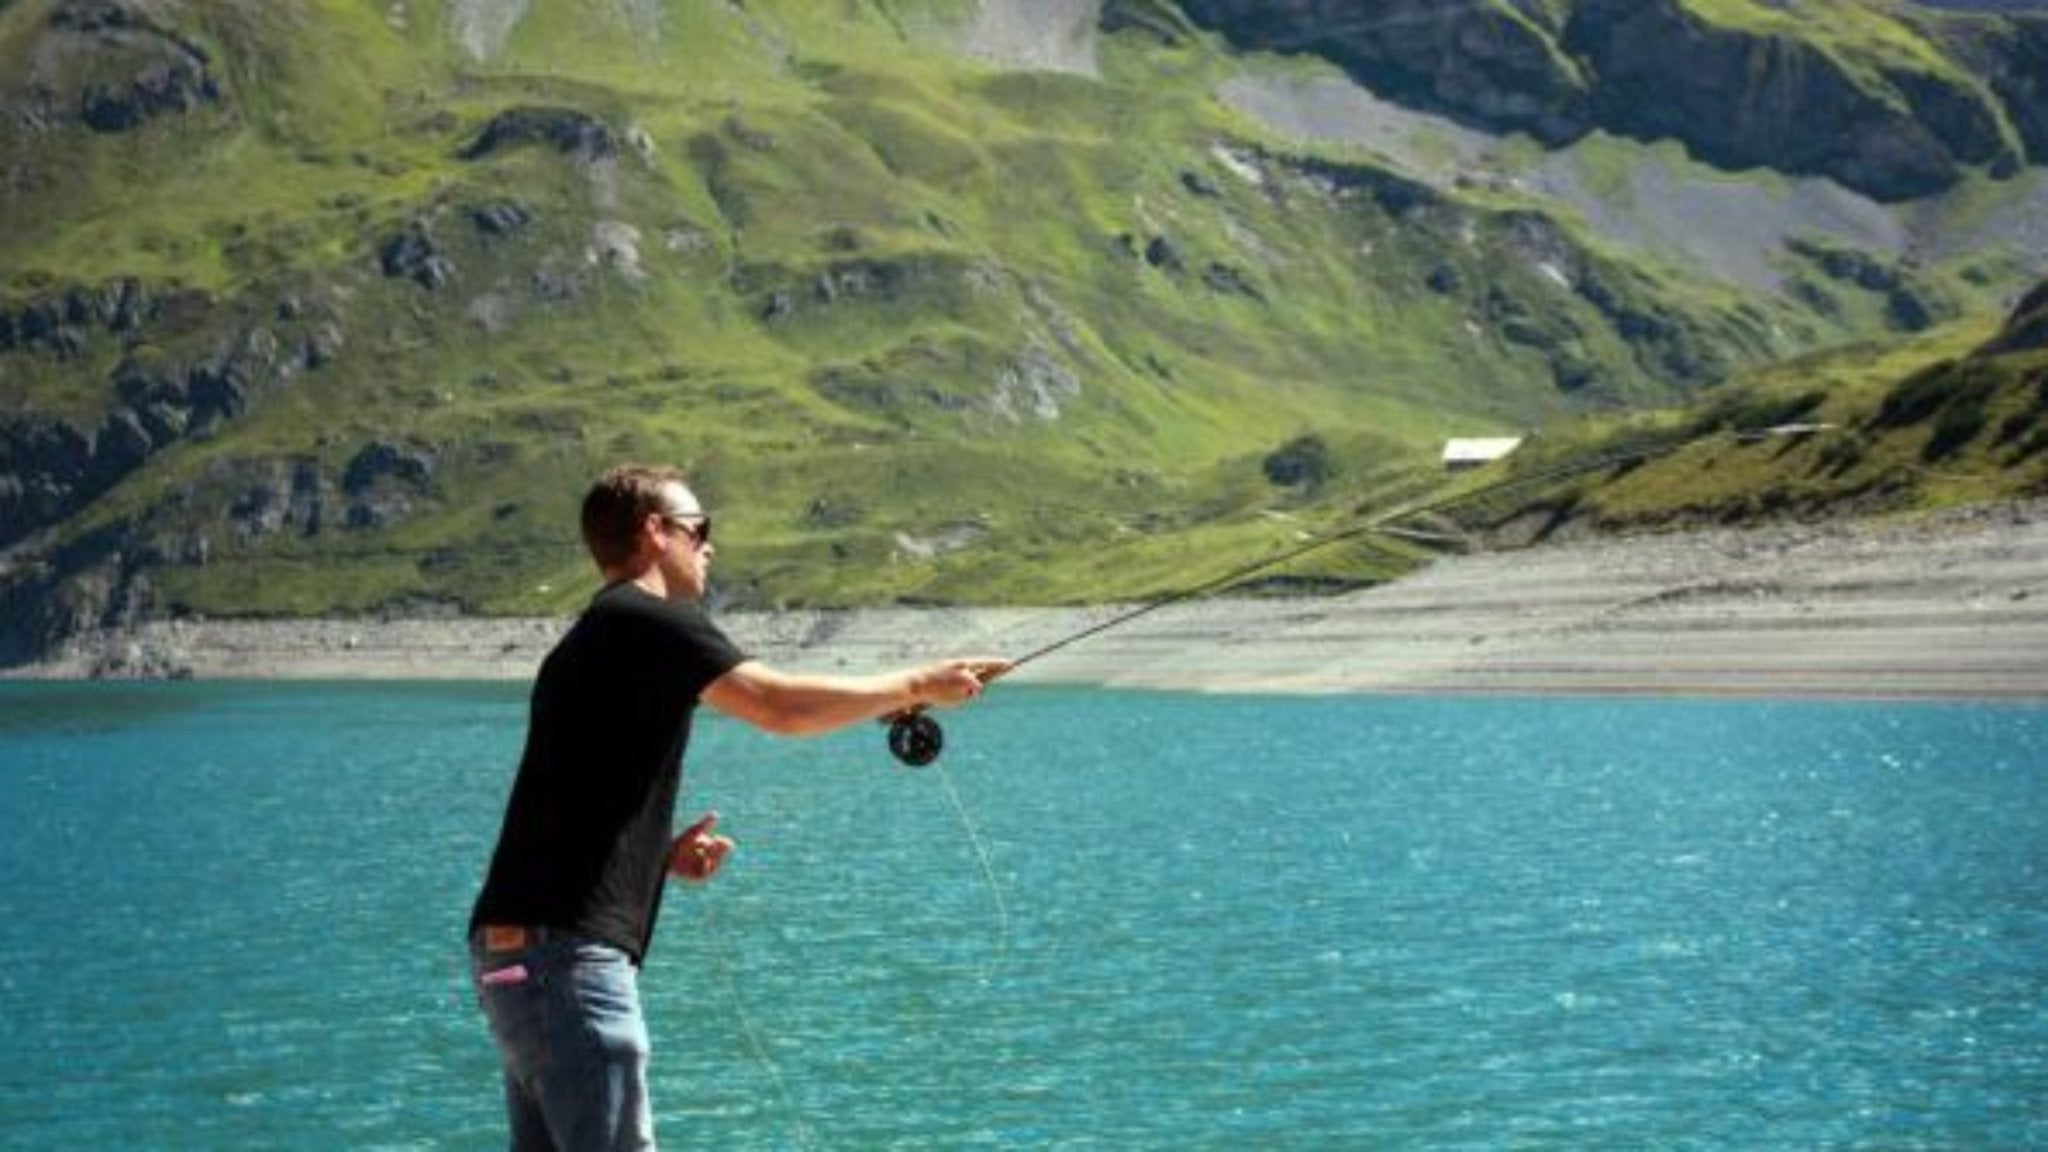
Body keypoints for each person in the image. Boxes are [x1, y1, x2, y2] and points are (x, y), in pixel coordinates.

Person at [468, 463, 1008, 1151]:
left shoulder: (597, 638)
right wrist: (917, 681)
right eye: (700, 530)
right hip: (567, 965)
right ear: (655, 533)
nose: (710, 547)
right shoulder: (649, 620)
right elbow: (779, 705)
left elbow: (563, 805)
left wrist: (654, 860)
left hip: (517, 963)